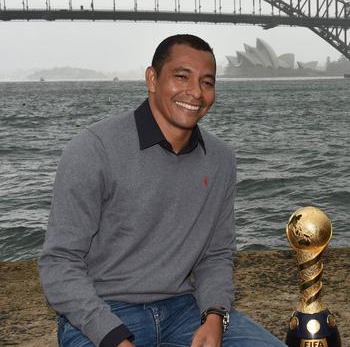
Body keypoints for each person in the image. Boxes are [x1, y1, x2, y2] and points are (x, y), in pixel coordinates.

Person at [39, 34, 286, 347]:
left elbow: (216, 254)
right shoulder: (93, 148)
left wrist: (214, 316)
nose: (195, 92)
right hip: (101, 313)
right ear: (152, 79)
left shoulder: (221, 159)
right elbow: (59, 262)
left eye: (207, 82)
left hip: (185, 309)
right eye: (181, 77)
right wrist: (112, 336)